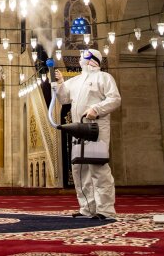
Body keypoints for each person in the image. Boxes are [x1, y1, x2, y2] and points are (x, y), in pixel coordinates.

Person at [54, 48, 121, 219]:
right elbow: (63, 99)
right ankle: (87, 208)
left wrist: (96, 109)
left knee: (98, 168)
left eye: (82, 57)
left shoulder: (104, 77)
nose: (79, 60)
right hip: (79, 128)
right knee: (80, 168)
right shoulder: (76, 80)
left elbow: (115, 99)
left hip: (96, 128)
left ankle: (105, 211)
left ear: (92, 59)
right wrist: (61, 83)